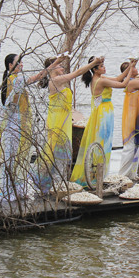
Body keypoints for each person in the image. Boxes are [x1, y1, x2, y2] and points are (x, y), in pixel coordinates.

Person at [0, 53, 64, 201]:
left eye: (21, 62)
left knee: (15, 157)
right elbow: (38, 76)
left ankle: (15, 191)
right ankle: (12, 192)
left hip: (13, 123)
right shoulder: (17, 79)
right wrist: (56, 63)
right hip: (16, 124)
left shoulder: (12, 79)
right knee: (16, 157)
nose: (21, 64)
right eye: (18, 62)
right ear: (10, 65)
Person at [36, 54, 103, 193]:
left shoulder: (60, 80)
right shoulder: (56, 80)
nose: (62, 68)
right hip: (57, 120)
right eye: (59, 65)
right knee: (57, 152)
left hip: (64, 118)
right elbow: (78, 72)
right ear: (53, 67)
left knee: (62, 152)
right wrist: (93, 63)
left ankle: (59, 184)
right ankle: (55, 185)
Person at [71, 56, 137, 186]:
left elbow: (118, 79)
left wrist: (130, 66)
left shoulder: (100, 78)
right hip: (103, 113)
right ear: (95, 69)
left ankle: (99, 174)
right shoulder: (100, 81)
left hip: (103, 111)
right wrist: (131, 70)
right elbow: (123, 84)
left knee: (102, 142)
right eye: (101, 66)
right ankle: (96, 176)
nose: (104, 67)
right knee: (102, 142)